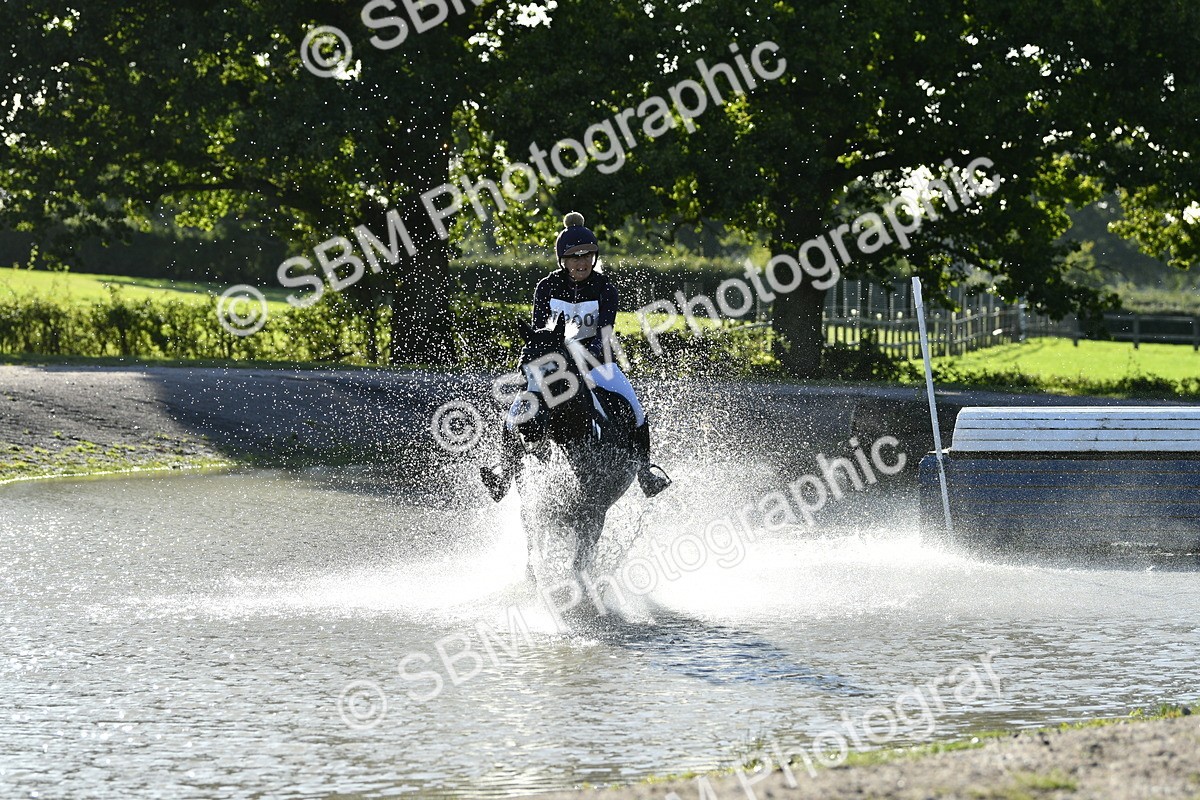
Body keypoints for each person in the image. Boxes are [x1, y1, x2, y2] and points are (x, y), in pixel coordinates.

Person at [480, 212, 672, 501]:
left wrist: (578, 358)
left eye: (587, 256)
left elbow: (603, 335)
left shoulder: (605, 289)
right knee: (514, 414)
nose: (582, 263)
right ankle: (504, 474)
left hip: (597, 362)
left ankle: (646, 473)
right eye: (574, 257)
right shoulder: (546, 287)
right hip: (553, 367)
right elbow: (540, 333)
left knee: (636, 409)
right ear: (563, 260)